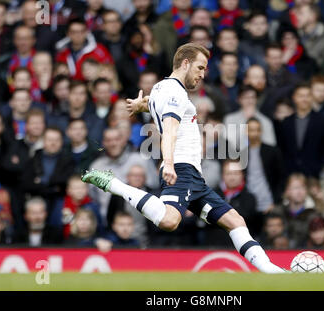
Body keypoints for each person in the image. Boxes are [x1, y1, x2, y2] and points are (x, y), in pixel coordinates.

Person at [82, 43, 286, 273]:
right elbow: (169, 128)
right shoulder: (176, 92)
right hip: (181, 168)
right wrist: (168, 162)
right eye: (199, 68)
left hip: (193, 176)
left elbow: (158, 104)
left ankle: (273, 272)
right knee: (169, 221)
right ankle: (114, 184)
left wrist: (143, 104)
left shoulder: (161, 89)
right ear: (185, 63)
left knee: (235, 221)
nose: (202, 74)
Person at [274, 173, 318, 248]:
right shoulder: (278, 212)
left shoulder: (314, 215)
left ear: (306, 190)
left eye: (302, 187)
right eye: (295, 188)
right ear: (287, 191)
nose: (299, 191)